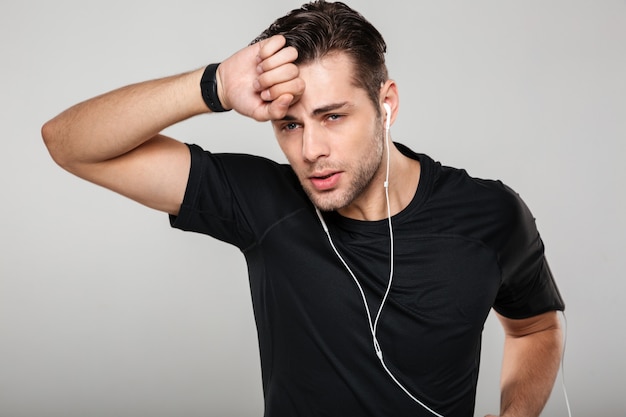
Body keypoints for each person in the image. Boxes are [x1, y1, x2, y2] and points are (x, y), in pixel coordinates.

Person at [42, 1, 565, 416]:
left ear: (388, 104)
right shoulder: (262, 201)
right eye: (290, 125)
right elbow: (69, 142)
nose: (310, 150)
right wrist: (215, 86)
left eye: (332, 116)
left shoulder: (490, 215)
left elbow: (535, 327)